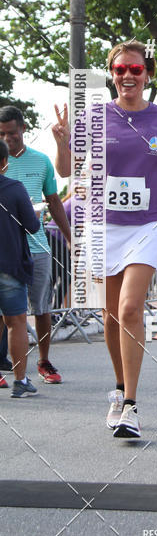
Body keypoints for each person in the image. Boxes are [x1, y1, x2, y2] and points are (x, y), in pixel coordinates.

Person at [53, 40, 157, 439]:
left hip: (147, 225)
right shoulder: (93, 116)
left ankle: (132, 405)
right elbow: (66, 171)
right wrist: (60, 139)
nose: (127, 76)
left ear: (147, 74)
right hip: (103, 226)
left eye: (135, 70)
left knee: (132, 308)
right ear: (112, 74)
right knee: (111, 316)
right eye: (120, 70)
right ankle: (119, 389)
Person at [0, 105, 71, 384]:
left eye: (12, 133)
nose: (7, 138)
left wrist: (69, 238)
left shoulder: (41, 161)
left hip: (37, 247)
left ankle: (44, 361)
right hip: (5, 251)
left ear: (23, 130)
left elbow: (54, 202)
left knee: (41, 308)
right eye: (2, 133)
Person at [0, 139, 42, 397]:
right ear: (4, 163)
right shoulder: (15, 189)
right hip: (10, 266)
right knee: (16, 323)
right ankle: (20, 380)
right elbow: (33, 226)